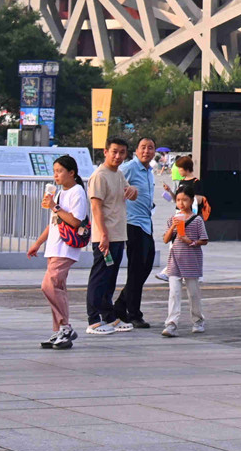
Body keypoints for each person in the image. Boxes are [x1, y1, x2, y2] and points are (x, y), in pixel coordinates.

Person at [28, 156, 89, 349]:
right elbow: (53, 223)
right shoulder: (61, 193)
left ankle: (66, 327)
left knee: (49, 285)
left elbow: (75, 221)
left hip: (66, 247)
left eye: (60, 171)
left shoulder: (77, 192)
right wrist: (38, 243)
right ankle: (60, 330)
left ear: (72, 173)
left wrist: (54, 206)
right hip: (55, 246)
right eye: (54, 171)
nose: (56, 175)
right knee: (58, 288)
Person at [84, 139, 131, 335]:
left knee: (110, 277)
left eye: (122, 152)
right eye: (114, 152)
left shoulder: (118, 174)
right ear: (105, 152)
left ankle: (108, 316)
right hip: (105, 235)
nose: (118, 156)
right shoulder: (99, 176)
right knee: (99, 277)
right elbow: (96, 207)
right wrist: (103, 234)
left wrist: (134, 190)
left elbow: (129, 192)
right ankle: (93, 319)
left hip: (119, 234)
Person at [116, 137, 156, 328]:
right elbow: (114, 182)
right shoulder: (130, 167)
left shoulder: (150, 171)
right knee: (136, 270)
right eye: (143, 148)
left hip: (146, 223)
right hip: (133, 224)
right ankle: (133, 314)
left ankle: (120, 306)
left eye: (150, 148)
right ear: (136, 150)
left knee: (145, 268)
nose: (146, 151)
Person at [159, 189, 207, 337]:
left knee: (193, 293)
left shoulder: (197, 220)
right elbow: (166, 239)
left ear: (191, 200)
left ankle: (198, 320)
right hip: (174, 261)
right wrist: (173, 226)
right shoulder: (172, 219)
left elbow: (204, 240)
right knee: (174, 293)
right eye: (178, 200)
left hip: (191, 261)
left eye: (184, 200)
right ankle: (171, 324)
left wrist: (191, 242)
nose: (181, 203)